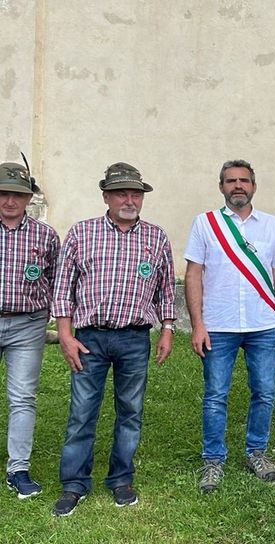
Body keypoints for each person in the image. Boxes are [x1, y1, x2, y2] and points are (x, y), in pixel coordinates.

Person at [51, 163, 175, 516]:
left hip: (135, 339)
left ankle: (121, 479)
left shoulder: (156, 237)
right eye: (121, 193)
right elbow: (63, 288)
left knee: (130, 412)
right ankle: (74, 484)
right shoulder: (82, 233)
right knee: (81, 413)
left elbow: (167, 289)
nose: (129, 200)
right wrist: (65, 335)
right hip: (89, 338)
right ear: (106, 197)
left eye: (136, 194)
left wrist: (167, 329)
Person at [186, 160, 275, 492]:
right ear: (221, 187)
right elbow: (193, 274)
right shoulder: (205, 223)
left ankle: (256, 451)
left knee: (265, 392)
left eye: (244, 180)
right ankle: (213, 460)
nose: (238, 186)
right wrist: (198, 325)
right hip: (219, 324)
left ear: (253, 187)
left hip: (263, 324)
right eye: (231, 181)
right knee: (215, 395)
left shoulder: (271, 225)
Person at [0, 158, 60, 499]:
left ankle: (18, 469)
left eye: (18, 195)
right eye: (4, 193)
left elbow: (55, 278)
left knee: (22, 397)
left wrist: (45, 315)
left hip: (27, 325)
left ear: (28, 198)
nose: (10, 201)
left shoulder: (45, 236)